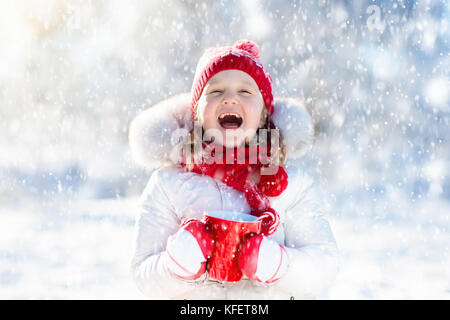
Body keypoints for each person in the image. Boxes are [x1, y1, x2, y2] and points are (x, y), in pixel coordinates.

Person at [128, 40, 339, 299]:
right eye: (215, 91)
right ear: (196, 113)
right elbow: (143, 275)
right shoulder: (168, 184)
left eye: (246, 91)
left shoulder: (292, 185)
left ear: (264, 114)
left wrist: (278, 264)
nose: (229, 98)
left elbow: (324, 267)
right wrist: (177, 265)